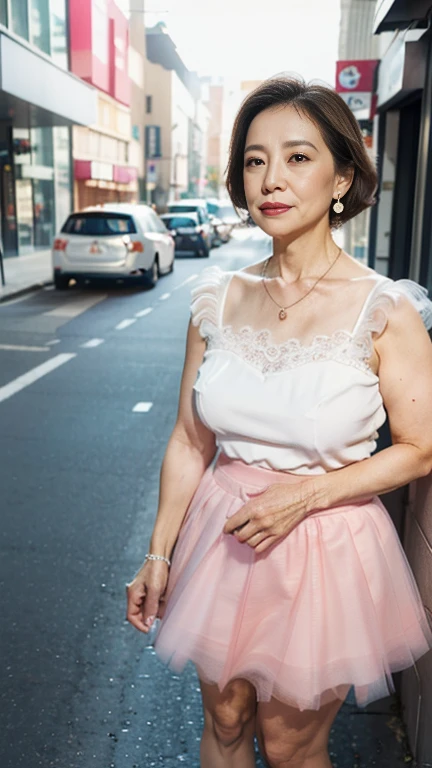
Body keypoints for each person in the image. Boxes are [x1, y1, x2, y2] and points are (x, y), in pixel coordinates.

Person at [126, 77, 432, 768]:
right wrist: (158, 551)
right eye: (256, 159)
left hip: (322, 544)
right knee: (226, 719)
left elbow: (420, 448)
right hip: (223, 535)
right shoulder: (216, 298)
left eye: (298, 157)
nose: (271, 178)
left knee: (292, 745)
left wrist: (306, 494)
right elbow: (188, 439)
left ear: (341, 176)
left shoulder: (384, 310)